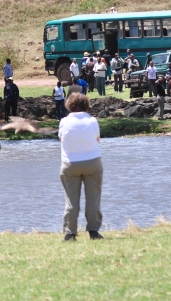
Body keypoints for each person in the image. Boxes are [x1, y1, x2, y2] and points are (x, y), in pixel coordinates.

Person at [58, 92, 103, 242]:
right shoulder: (92, 121)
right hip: (92, 162)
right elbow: (97, 139)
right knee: (93, 199)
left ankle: (70, 233)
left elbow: (61, 139)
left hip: (70, 164)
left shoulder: (64, 121)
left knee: (71, 201)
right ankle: (93, 231)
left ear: (69, 105)